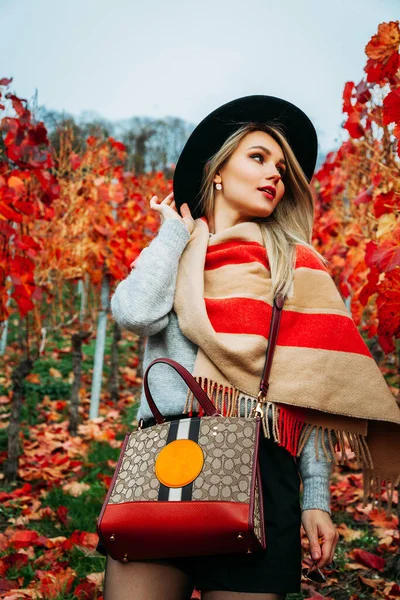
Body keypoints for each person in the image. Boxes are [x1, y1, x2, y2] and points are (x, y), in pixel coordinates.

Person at [97, 95, 400, 599]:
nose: (275, 174)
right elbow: (134, 312)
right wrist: (174, 235)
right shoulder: (176, 252)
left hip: (262, 470)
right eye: (258, 157)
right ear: (217, 171)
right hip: (168, 460)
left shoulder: (295, 265)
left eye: (281, 166)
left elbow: (310, 393)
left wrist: (315, 499)